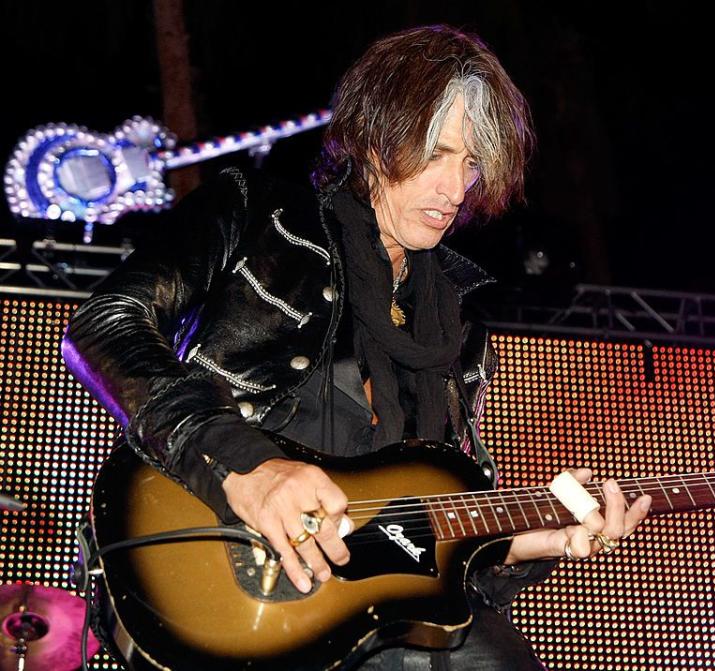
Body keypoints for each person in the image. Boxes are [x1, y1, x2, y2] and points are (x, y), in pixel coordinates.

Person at [62, 24, 651, 669]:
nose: (455, 188)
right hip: (225, 563)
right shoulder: (261, 214)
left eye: (472, 162)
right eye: (437, 153)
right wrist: (247, 464)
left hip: (378, 619)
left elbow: (413, 534)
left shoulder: (454, 318)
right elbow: (105, 324)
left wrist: (531, 542)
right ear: (375, 136)